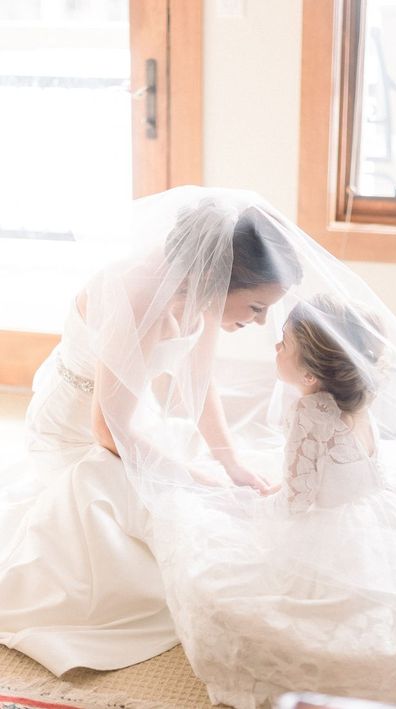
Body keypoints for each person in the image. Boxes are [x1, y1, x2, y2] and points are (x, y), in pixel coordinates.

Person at [0, 187, 302, 674]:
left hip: (127, 417)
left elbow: (202, 388)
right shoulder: (139, 295)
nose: (261, 321)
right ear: (219, 279)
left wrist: (230, 462)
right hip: (77, 431)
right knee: (147, 536)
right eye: (255, 307)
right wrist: (192, 479)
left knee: (206, 496)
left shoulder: (199, 287)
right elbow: (105, 429)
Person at [149, 293, 396, 708]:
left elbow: (297, 500)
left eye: (284, 343)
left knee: (214, 550)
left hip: (327, 522)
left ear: (309, 377)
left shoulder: (309, 415)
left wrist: (252, 505)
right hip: (371, 506)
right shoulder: (356, 396)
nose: (275, 346)